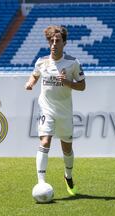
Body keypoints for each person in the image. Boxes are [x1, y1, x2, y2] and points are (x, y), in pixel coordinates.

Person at [24, 25, 86, 196]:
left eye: (57, 41)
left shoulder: (72, 63)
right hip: (46, 108)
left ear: (64, 43)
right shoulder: (41, 61)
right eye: (51, 41)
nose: (54, 44)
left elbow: (82, 86)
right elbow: (35, 74)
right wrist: (30, 83)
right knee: (44, 141)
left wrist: (67, 83)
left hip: (64, 111)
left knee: (67, 148)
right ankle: (41, 182)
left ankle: (68, 176)